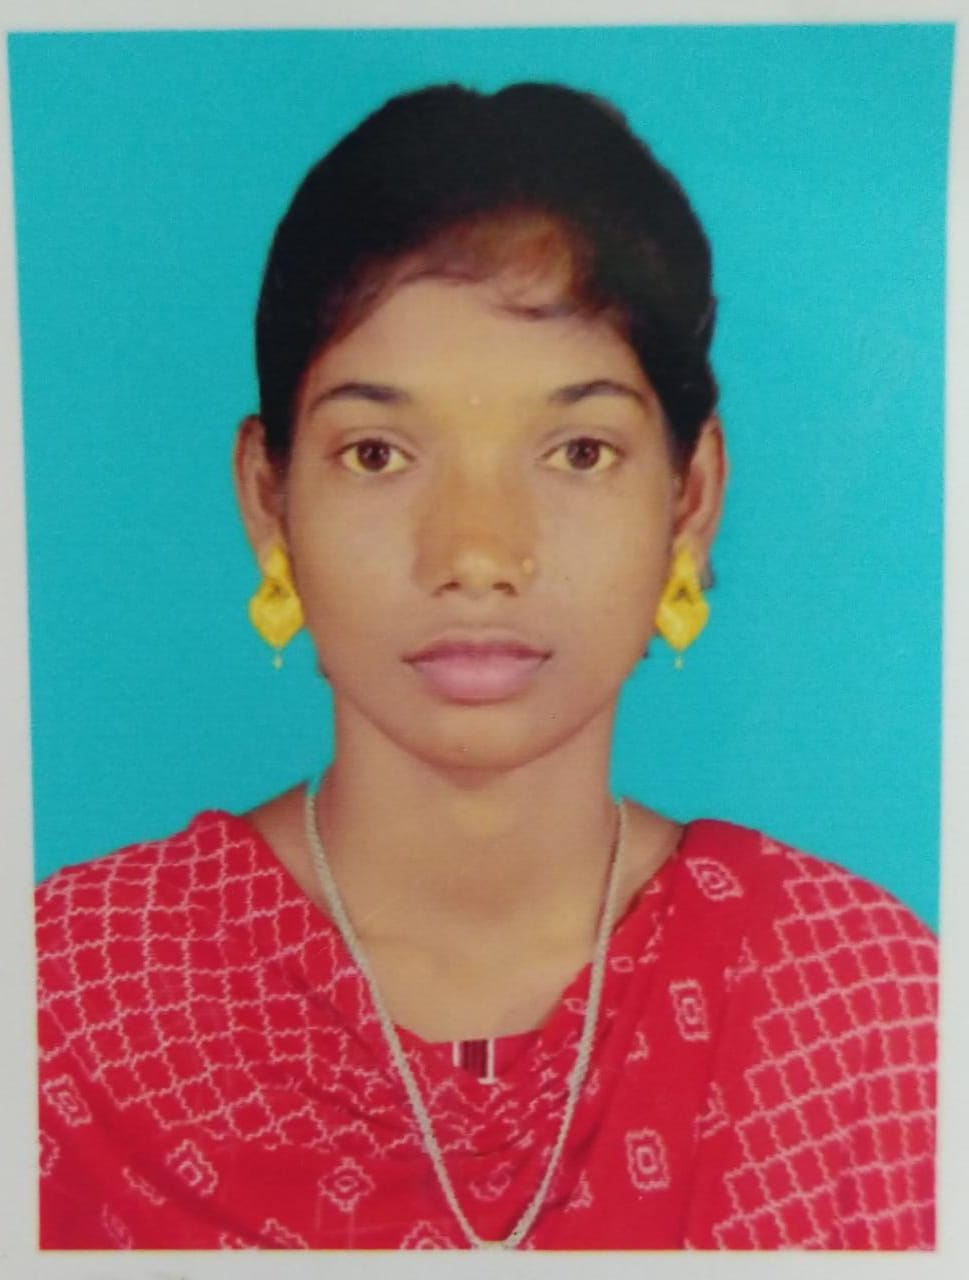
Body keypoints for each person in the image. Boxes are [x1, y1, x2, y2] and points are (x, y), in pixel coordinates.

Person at [34, 82, 937, 1251]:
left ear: (690, 497)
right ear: (268, 498)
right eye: (376, 451)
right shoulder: (61, 1004)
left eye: (578, 450)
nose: (475, 553)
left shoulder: (862, 1009)